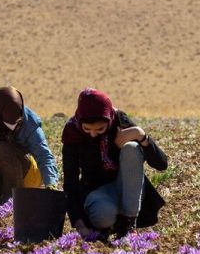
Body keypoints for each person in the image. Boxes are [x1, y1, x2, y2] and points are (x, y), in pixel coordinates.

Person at [62, 88, 169, 238]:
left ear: (109, 120)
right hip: (96, 192)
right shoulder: (72, 132)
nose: (93, 134)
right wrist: (79, 225)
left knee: (132, 148)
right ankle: (114, 223)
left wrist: (140, 135)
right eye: (87, 129)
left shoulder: (119, 120)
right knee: (103, 215)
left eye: (100, 129)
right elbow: (70, 182)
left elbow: (162, 164)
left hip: (130, 189)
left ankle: (129, 223)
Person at [0, 87, 59, 204]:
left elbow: (44, 155)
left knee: (2, 149)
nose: (14, 126)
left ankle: (14, 199)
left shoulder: (30, 122)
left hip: (27, 174)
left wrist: (51, 184)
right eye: (10, 123)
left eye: (17, 122)